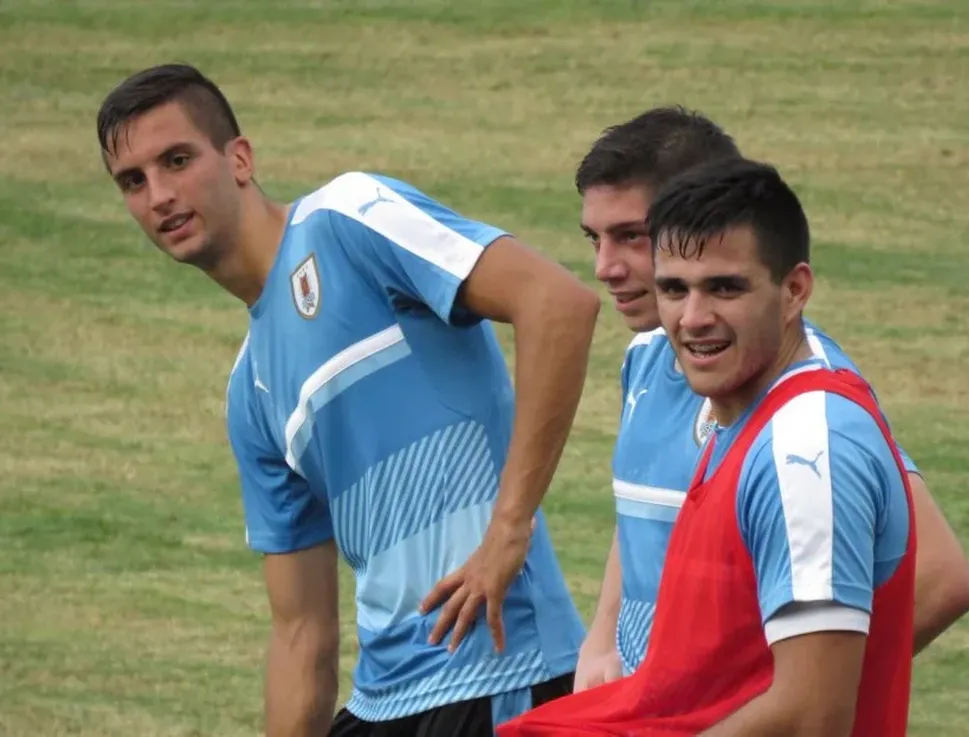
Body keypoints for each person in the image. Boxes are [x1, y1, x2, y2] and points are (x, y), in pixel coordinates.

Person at [95, 63, 600, 737]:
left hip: (497, 672)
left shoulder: (347, 220)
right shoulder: (251, 392)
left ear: (238, 158)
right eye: (134, 181)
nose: (159, 194)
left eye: (177, 160)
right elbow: (301, 631)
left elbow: (558, 304)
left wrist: (509, 528)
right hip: (382, 701)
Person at [500, 157, 919, 736]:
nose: (693, 319)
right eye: (674, 289)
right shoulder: (738, 422)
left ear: (794, 290)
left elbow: (811, 715)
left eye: (724, 288)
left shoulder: (803, 447)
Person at [571, 107, 969, 691]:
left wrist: (777, 703)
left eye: (631, 236)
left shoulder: (805, 406)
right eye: (594, 238)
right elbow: (645, 515)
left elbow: (941, 578)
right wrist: (604, 639)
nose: (605, 267)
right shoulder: (651, 354)